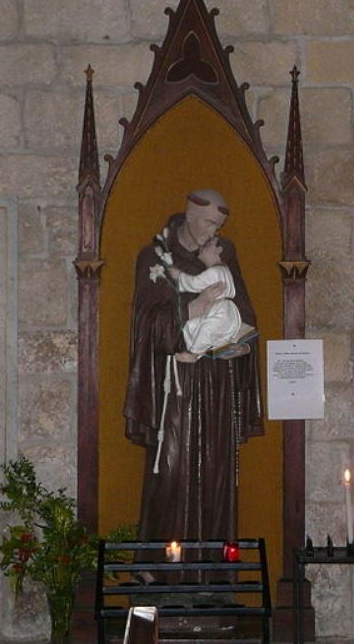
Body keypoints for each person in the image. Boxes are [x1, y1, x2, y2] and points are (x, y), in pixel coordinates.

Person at [123, 189, 264, 553]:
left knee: (216, 478)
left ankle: (213, 575)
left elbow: (247, 322)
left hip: (217, 389)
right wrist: (194, 307)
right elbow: (147, 328)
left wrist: (224, 351)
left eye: (218, 225)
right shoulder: (154, 259)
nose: (213, 231)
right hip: (175, 391)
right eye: (208, 222)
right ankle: (161, 572)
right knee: (171, 474)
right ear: (189, 213)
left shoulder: (223, 256)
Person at [167, 237, 247, 362]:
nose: (202, 246)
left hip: (222, 311)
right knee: (191, 325)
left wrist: (178, 277)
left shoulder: (216, 271)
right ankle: (198, 351)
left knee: (206, 329)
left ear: (218, 250)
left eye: (209, 244)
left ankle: (194, 354)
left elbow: (194, 283)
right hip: (218, 311)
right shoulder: (224, 271)